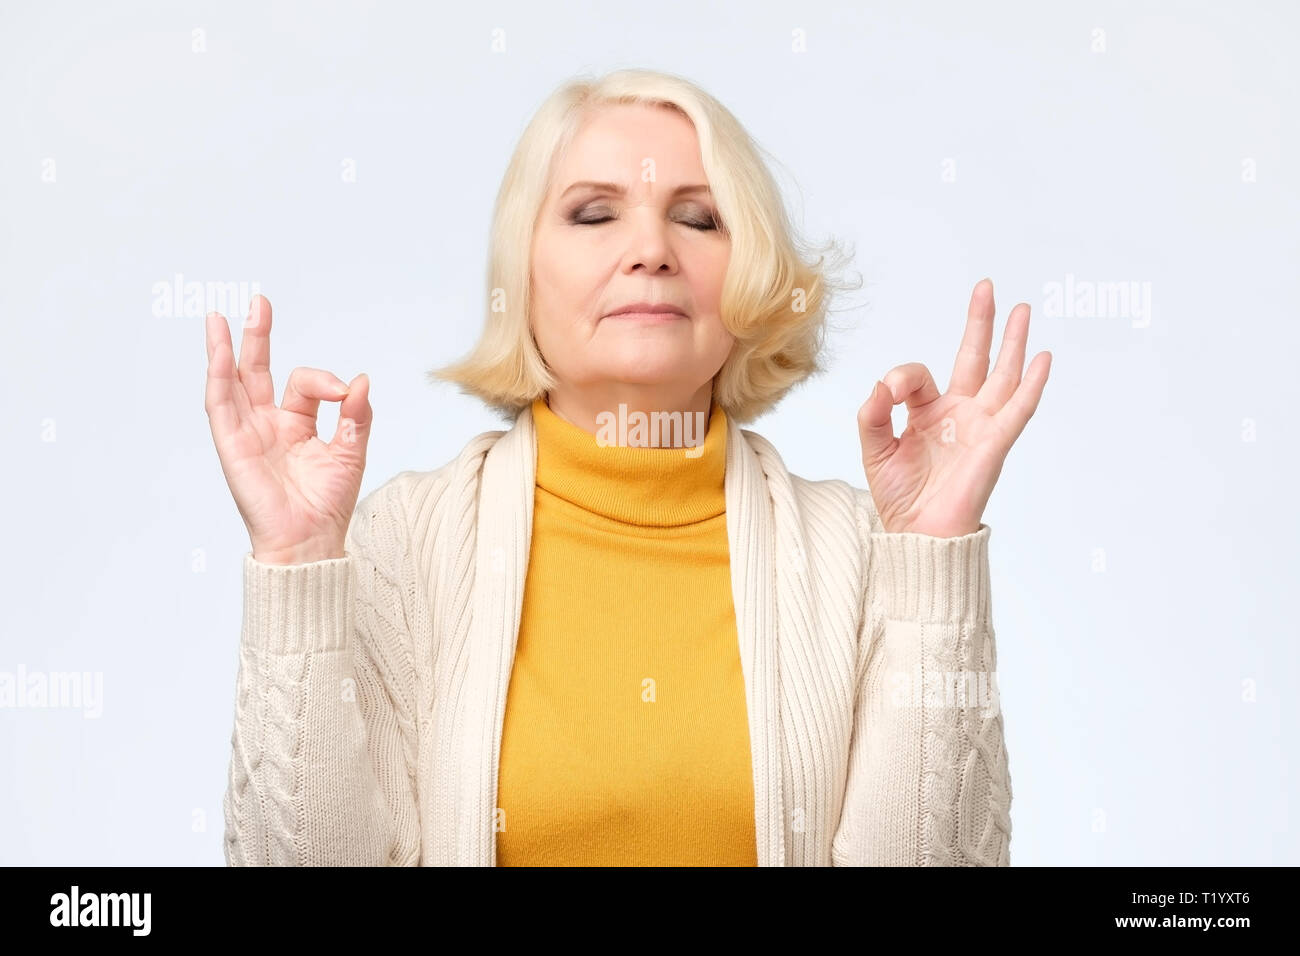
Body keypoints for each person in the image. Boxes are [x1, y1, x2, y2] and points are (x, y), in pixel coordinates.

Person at [205, 67, 1049, 866]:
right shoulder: (402, 542)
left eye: (698, 217)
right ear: (522, 274)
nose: (650, 248)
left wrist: (936, 558)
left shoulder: (860, 552)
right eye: (593, 214)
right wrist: (294, 564)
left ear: (750, 277)